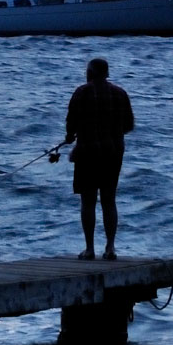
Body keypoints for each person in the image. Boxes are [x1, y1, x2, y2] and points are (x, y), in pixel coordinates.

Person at [64, 57, 134, 261]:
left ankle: (90, 249)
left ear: (91, 73)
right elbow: (128, 125)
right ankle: (110, 248)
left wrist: (71, 137)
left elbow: (71, 124)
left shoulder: (82, 92)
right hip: (113, 153)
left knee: (88, 201)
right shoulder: (120, 94)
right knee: (109, 200)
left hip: (87, 153)